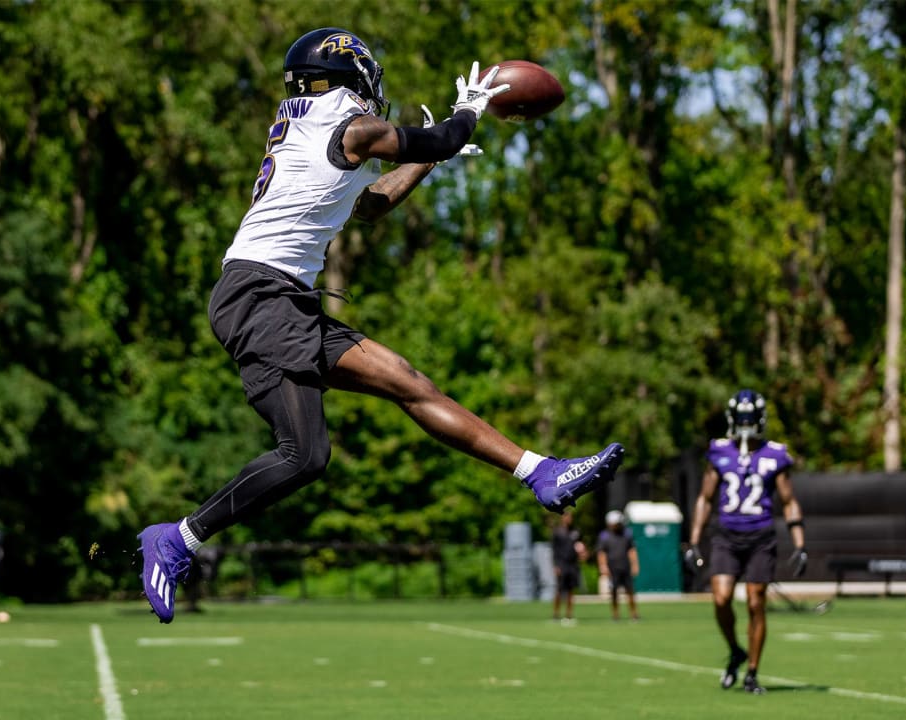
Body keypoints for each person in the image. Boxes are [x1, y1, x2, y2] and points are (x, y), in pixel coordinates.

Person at [136, 28, 626, 623]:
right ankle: (179, 537)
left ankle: (540, 472)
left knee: (408, 381)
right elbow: (441, 137)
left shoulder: (313, 128)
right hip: (261, 297)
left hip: (278, 298)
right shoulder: (347, 125)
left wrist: (431, 156)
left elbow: (373, 204)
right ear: (356, 77)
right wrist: (465, 116)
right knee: (305, 455)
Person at [684, 389, 807, 695]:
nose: (746, 423)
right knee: (721, 598)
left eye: (750, 417)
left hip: (760, 536)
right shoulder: (719, 451)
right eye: (742, 417)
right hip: (726, 534)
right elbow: (705, 497)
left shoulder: (775, 454)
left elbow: (789, 501)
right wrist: (694, 540)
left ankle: (752, 671)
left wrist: (800, 543)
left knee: (755, 603)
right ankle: (735, 650)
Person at [596, 510, 640, 621]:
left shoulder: (626, 534)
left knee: (630, 591)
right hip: (613, 568)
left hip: (625, 566)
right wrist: (603, 566)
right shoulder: (605, 536)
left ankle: (634, 614)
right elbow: (601, 552)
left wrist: (635, 564)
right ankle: (615, 614)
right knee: (614, 592)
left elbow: (632, 550)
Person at [550, 511, 586, 624]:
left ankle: (568, 615)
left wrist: (582, 554)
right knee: (560, 590)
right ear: (562, 518)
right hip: (562, 564)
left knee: (571, 590)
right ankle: (556, 614)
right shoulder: (557, 532)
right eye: (567, 517)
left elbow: (580, 546)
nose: (569, 519)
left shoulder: (576, 531)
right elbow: (554, 550)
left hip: (573, 565)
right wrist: (556, 565)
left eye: (570, 517)